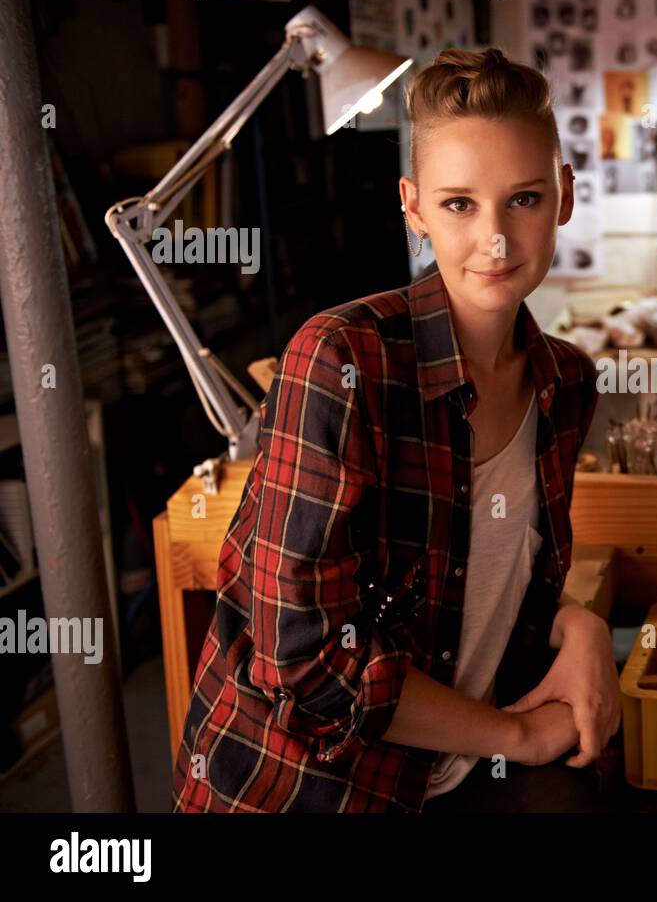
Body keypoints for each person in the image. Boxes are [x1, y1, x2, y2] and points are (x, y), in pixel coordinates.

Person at [172, 47, 619, 812]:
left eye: (524, 199)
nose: (498, 239)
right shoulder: (340, 359)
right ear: (412, 206)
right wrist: (515, 737)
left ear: (565, 196)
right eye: (458, 204)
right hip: (306, 789)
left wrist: (578, 624)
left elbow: (498, 590)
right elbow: (306, 664)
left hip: (456, 777)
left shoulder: (566, 382)